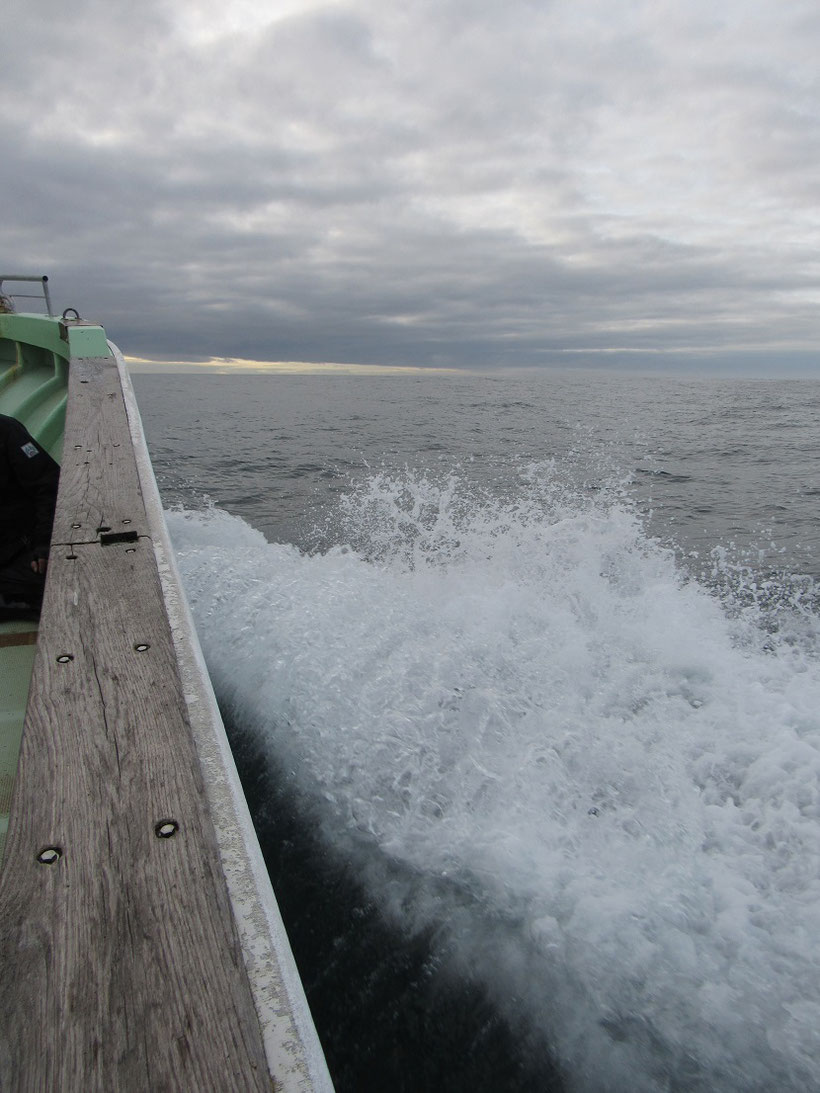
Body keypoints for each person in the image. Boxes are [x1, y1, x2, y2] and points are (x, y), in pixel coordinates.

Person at [0, 414, 60, 618]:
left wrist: (43, 543)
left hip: (21, 546)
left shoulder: (7, 431)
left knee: (59, 584)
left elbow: (48, 483)